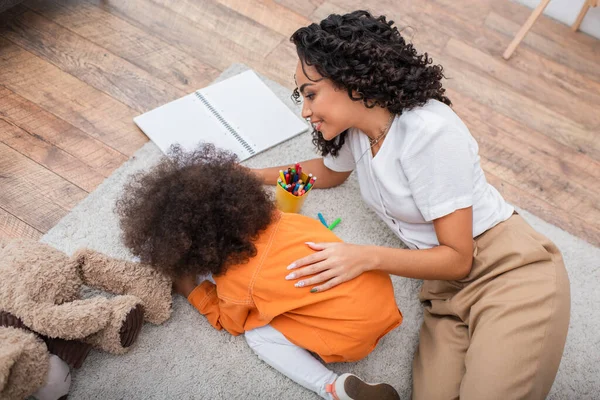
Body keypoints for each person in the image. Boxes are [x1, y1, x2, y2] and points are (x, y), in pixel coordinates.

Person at [253, 10, 570, 400]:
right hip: (444, 293)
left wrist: (362, 257)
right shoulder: (358, 133)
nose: (305, 110)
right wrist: (251, 175)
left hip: (508, 272)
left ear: (350, 78)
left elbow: (459, 257)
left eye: (311, 93)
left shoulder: (429, 132)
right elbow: (330, 173)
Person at [115, 144, 403, 400]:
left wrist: (192, 290)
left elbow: (230, 322)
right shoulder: (289, 219)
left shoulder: (236, 282)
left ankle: (329, 388)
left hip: (353, 335)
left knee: (258, 335)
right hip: (381, 296)